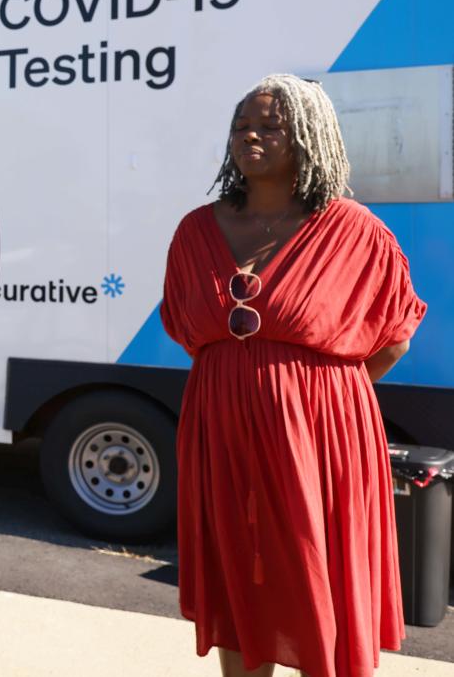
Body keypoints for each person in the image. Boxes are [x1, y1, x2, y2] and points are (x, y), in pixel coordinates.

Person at [160, 75, 426, 677]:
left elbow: (395, 338)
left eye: (270, 126)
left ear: (309, 139)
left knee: (314, 572)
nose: (250, 135)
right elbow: (187, 329)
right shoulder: (196, 230)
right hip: (220, 429)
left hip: (321, 436)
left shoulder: (354, 230)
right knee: (238, 570)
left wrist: (320, 395)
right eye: (241, 126)